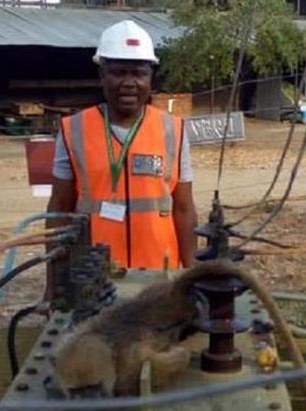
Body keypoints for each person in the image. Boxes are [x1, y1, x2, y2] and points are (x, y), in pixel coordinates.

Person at [46, 20, 197, 269]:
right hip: (93, 274)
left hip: (159, 275)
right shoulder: (73, 130)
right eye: (119, 72)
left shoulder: (174, 130)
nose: (129, 83)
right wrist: (54, 281)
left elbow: (183, 207)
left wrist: (192, 272)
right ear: (102, 75)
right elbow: (59, 208)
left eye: (139, 73)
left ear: (151, 78)